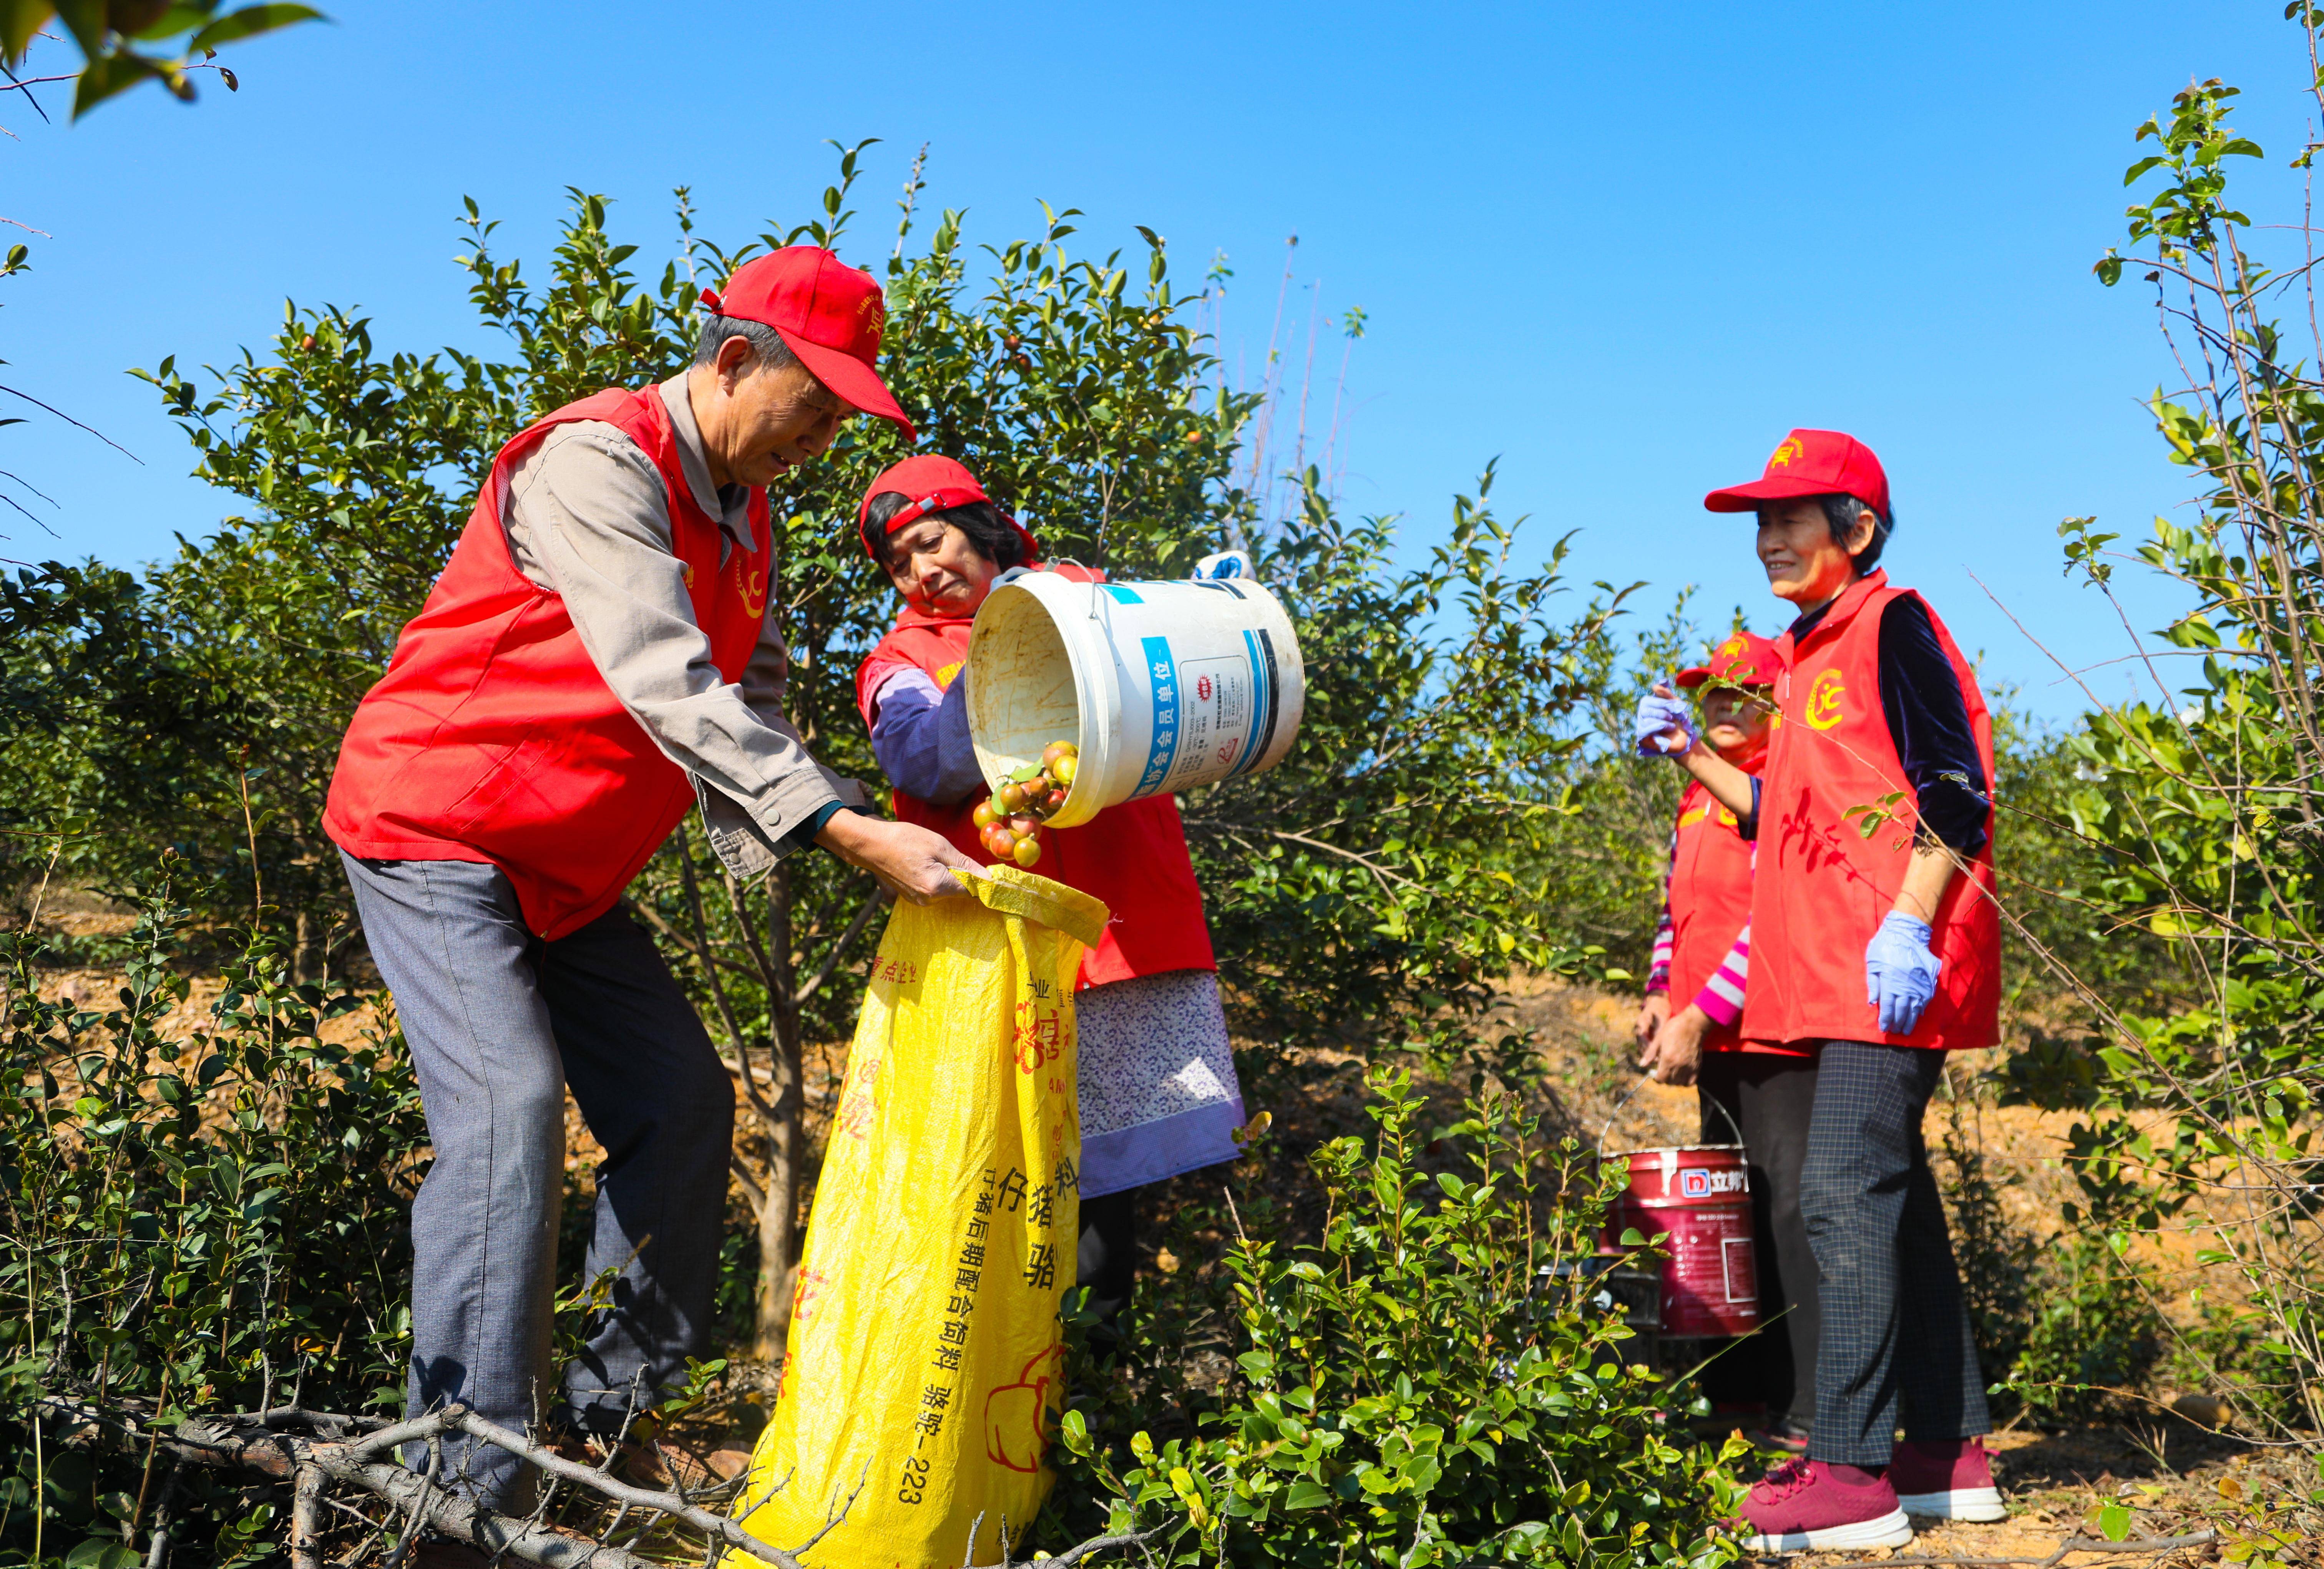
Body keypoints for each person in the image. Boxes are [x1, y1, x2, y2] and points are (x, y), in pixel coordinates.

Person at [322, 248, 979, 1523]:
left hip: (560, 868)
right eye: (817, 404)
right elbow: (666, 679)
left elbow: (759, 692)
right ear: (733, 362)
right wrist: (843, 830)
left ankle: (603, 1427)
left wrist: (795, 852)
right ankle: (461, 1500)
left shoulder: (749, 512)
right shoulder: (597, 461)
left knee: (682, 1099)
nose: (826, 436)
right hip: (436, 826)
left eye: (850, 416)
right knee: (510, 1116)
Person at [1635, 429, 2005, 1551]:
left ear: (1859, 529)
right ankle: (1949, 1452)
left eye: (1793, 516)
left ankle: (1848, 1471)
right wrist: (1693, 756)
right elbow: (1780, 819)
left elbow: (1958, 784)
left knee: (1843, 1191)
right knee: (1900, 1207)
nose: (1770, 539)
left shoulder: (1893, 622)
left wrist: (1908, 919)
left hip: (1887, 965)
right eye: (1761, 521)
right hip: (1832, 971)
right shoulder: (1803, 655)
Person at [852, 454, 1247, 1322]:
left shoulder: (1085, 599)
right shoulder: (898, 660)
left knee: (1105, 1194)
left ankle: (1082, 1424)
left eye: (933, 540)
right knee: (1000, 1183)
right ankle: (997, 1398)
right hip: (1004, 957)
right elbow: (920, 757)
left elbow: (1186, 685)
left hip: (1118, 937)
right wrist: (1021, 646)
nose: (923, 570)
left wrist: (1206, 610)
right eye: (901, 563)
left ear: (979, 527)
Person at [1632, 630, 1818, 1455]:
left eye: (1744, 693)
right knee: (1729, 1217)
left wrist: (1699, 1013)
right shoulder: (1699, 791)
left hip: (1772, 1030)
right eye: (1711, 692)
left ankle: (1811, 1412)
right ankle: (1739, 1400)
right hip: (1714, 1033)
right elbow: (1682, 907)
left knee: (1788, 1216)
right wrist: (1658, 993)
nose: (1723, 705)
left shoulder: (1780, 784)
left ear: (1780, 704)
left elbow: (1769, 921)